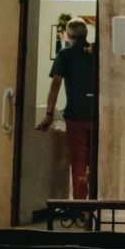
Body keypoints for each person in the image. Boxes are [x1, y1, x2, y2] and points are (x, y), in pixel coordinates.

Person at [39, 17, 96, 198]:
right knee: (96, 160)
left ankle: (80, 204)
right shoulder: (96, 52)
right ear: (85, 34)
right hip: (96, 115)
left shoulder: (65, 55)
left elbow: (56, 84)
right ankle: (97, 202)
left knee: (79, 161)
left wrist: (49, 113)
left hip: (75, 114)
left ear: (68, 35)